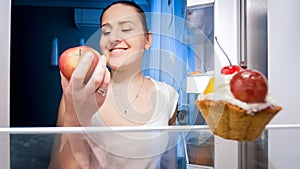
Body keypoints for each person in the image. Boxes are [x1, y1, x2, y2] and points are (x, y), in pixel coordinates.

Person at [48, 1, 179, 169]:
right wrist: (75, 115)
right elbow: (56, 166)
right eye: (106, 31)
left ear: (147, 39)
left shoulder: (168, 95)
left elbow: (170, 163)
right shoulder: (78, 95)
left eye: (126, 29)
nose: (114, 38)